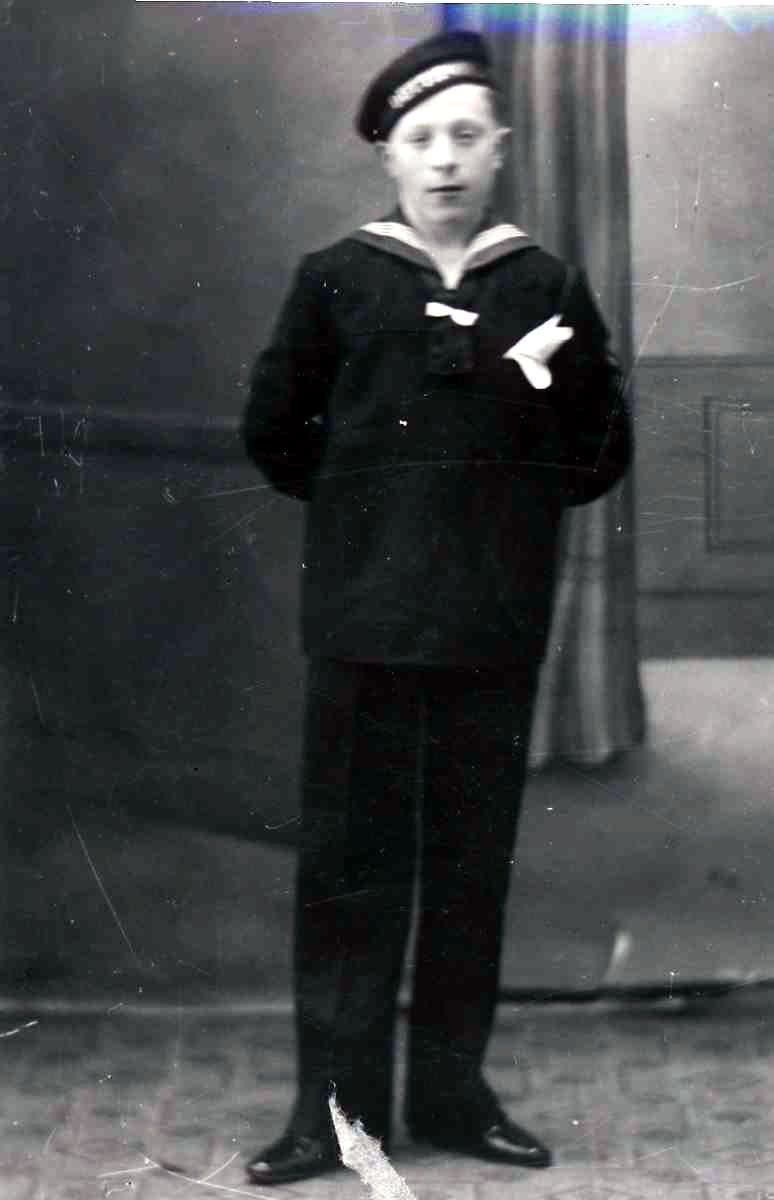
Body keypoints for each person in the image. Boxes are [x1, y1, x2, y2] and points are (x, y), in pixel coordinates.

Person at [241, 30, 632, 1186]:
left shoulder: (544, 287)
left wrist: (527, 415)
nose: (446, 158)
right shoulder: (337, 279)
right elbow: (274, 436)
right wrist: (375, 518)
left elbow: (599, 455)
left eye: (466, 135)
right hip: (364, 626)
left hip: (490, 625)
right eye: (422, 139)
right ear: (391, 159)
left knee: (470, 868)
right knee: (351, 871)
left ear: (500, 148)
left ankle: (454, 1097)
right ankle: (333, 1115)